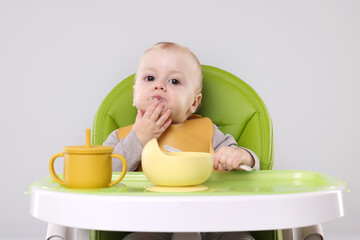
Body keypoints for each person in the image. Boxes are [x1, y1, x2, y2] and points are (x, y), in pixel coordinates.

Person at [104, 42, 259, 240]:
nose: (159, 85)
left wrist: (241, 157)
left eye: (174, 81)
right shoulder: (122, 136)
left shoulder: (207, 130)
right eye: (150, 78)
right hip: (149, 223)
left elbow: (253, 169)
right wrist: (139, 138)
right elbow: (102, 175)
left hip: (212, 221)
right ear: (135, 95)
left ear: (194, 103)